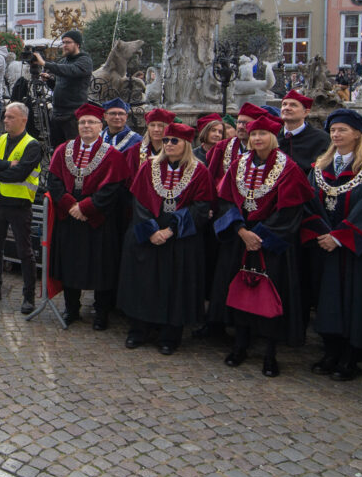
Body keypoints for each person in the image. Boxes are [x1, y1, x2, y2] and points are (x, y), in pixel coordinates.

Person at [211, 110, 314, 376]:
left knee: (271, 295)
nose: (257, 138)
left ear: (273, 136)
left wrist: (261, 236)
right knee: (239, 292)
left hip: (272, 244)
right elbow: (227, 200)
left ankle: (270, 352)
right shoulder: (239, 164)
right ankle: (240, 345)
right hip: (240, 239)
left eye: (262, 134)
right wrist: (241, 230)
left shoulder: (288, 168)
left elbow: (291, 210)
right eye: (254, 133)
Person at [301, 109, 362, 382]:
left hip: (355, 249)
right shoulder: (320, 167)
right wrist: (321, 233)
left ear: (357, 133)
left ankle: (351, 356)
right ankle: (330, 350)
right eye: (333, 130)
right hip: (324, 245)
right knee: (326, 298)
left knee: (355, 299)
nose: (336, 134)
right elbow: (309, 202)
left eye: (342, 129)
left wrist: (340, 236)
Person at [120, 122, 214, 353]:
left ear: (186, 144)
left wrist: (171, 230)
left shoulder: (199, 170)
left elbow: (201, 206)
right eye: (166, 141)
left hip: (180, 238)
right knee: (144, 283)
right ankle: (139, 330)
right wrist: (152, 231)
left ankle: (170, 336)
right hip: (148, 235)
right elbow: (139, 201)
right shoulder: (149, 167)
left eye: (175, 141)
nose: (169, 144)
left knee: (176, 286)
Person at [44, 103, 131, 329]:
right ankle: (71, 308)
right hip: (70, 218)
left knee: (101, 267)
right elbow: (54, 181)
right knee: (70, 265)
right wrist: (71, 205)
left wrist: (87, 208)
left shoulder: (112, 155)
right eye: (82, 122)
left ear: (100, 125)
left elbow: (113, 188)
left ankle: (101, 313)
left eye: (91, 122)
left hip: (98, 221)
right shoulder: (63, 150)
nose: (86, 126)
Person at [0, 102, 46, 311]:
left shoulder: (32, 145)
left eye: (10, 117)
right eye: (5, 116)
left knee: (25, 251)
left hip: (19, 204)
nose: (5, 120)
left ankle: (29, 296)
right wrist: (5, 166)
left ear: (23, 120)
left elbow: (20, 174)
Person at [38, 30, 94, 147]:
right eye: (63, 42)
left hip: (73, 115)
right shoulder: (64, 61)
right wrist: (49, 80)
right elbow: (60, 86)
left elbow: (71, 71)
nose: (65, 45)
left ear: (77, 44)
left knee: (73, 150)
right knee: (57, 150)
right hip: (58, 113)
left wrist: (45, 64)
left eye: (68, 42)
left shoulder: (84, 60)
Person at [277, 90, 329, 171]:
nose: (287, 108)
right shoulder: (273, 135)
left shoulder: (321, 139)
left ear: (306, 112)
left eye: (293, 105)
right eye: (284, 104)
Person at [124, 107, 174, 172]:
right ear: (148, 128)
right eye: (152, 125)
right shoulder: (135, 151)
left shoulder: (176, 151)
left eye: (160, 125)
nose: (156, 129)